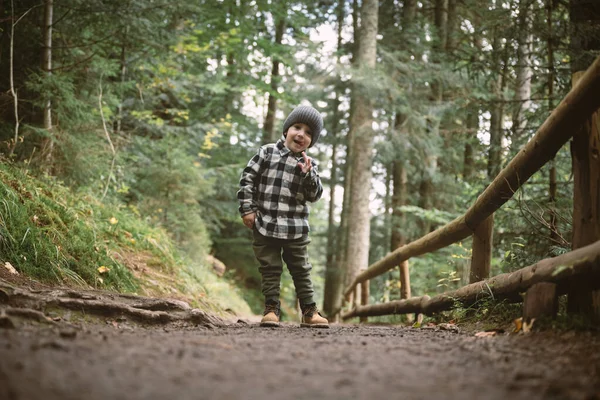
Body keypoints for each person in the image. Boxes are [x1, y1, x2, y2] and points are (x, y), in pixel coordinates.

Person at [237, 105, 329, 328]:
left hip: (294, 228)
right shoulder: (267, 152)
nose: (301, 134)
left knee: (301, 270)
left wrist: (308, 176)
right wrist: (248, 209)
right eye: (297, 127)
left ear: (311, 141)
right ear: (287, 129)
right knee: (269, 268)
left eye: (308, 133)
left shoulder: (310, 165)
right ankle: (271, 308)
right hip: (264, 223)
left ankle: (309, 311)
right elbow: (247, 179)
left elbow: (314, 195)